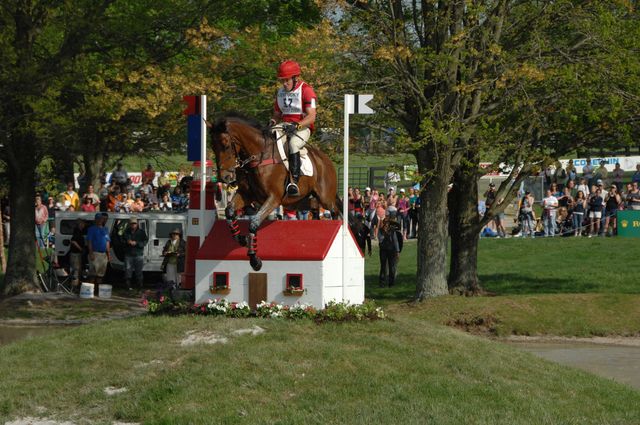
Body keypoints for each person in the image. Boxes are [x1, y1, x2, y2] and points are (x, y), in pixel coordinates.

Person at [270, 60, 317, 196]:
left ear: (296, 78)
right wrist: (272, 121)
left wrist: (297, 125)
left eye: (287, 80)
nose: (284, 84)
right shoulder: (280, 92)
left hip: (303, 126)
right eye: (282, 80)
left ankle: (293, 181)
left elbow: (311, 117)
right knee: (267, 139)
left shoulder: (307, 91)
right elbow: (277, 114)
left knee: (293, 144)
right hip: (284, 125)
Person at [123, 217, 148, 290]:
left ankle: (140, 286)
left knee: (139, 271)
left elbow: (145, 241)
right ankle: (128, 286)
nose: (133, 225)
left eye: (134, 223)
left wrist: (137, 243)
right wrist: (127, 242)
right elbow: (122, 240)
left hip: (138, 254)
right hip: (128, 254)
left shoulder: (142, 232)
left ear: (137, 224)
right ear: (129, 224)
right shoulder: (126, 231)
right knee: (128, 270)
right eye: (132, 224)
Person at [86, 212, 111, 287]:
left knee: (101, 274)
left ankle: (98, 290)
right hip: (95, 253)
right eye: (98, 219)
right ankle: (90, 290)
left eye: (101, 219)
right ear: (95, 220)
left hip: (103, 254)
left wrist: (108, 254)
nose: (100, 220)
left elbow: (107, 242)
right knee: (92, 274)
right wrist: (91, 253)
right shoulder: (91, 229)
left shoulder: (105, 229)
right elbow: (89, 241)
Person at [378, 216, 401, 288]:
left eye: (387, 223)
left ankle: (391, 283)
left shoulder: (392, 230)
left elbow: (395, 241)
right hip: (383, 250)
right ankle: (382, 282)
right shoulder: (380, 230)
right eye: (385, 223)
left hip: (391, 250)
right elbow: (380, 240)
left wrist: (397, 251)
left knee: (392, 267)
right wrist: (384, 234)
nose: (386, 224)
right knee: (383, 266)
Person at [69, 219, 86, 291]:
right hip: (75, 254)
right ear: (80, 224)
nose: (84, 225)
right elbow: (73, 241)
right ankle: (74, 287)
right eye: (83, 224)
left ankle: (76, 286)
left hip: (77, 254)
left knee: (77, 270)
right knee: (76, 270)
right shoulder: (77, 232)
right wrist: (81, 249)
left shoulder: (79, 231)